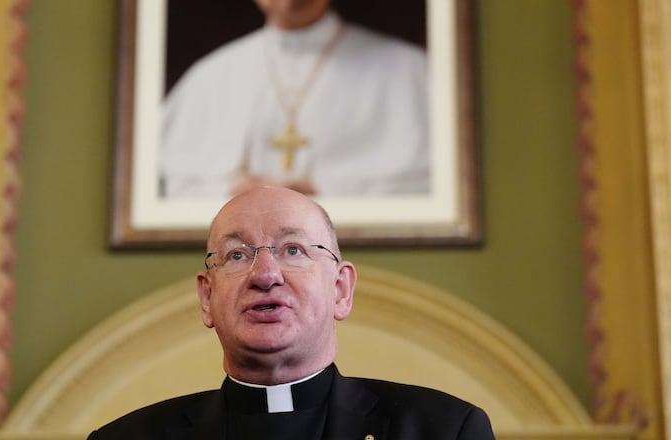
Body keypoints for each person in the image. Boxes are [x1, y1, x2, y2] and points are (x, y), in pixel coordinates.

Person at [87, 186, 495, 439]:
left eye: (293, 250)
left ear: (341, 289)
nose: (264, 275)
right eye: (237, 254)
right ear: (207, 297)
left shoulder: (442, 430)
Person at [159, 0, 430, 198]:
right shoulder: (209, 76)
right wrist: (233, 191)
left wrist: (322, 189)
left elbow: (430, 187)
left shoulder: (410, 70)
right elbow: (167, 188)